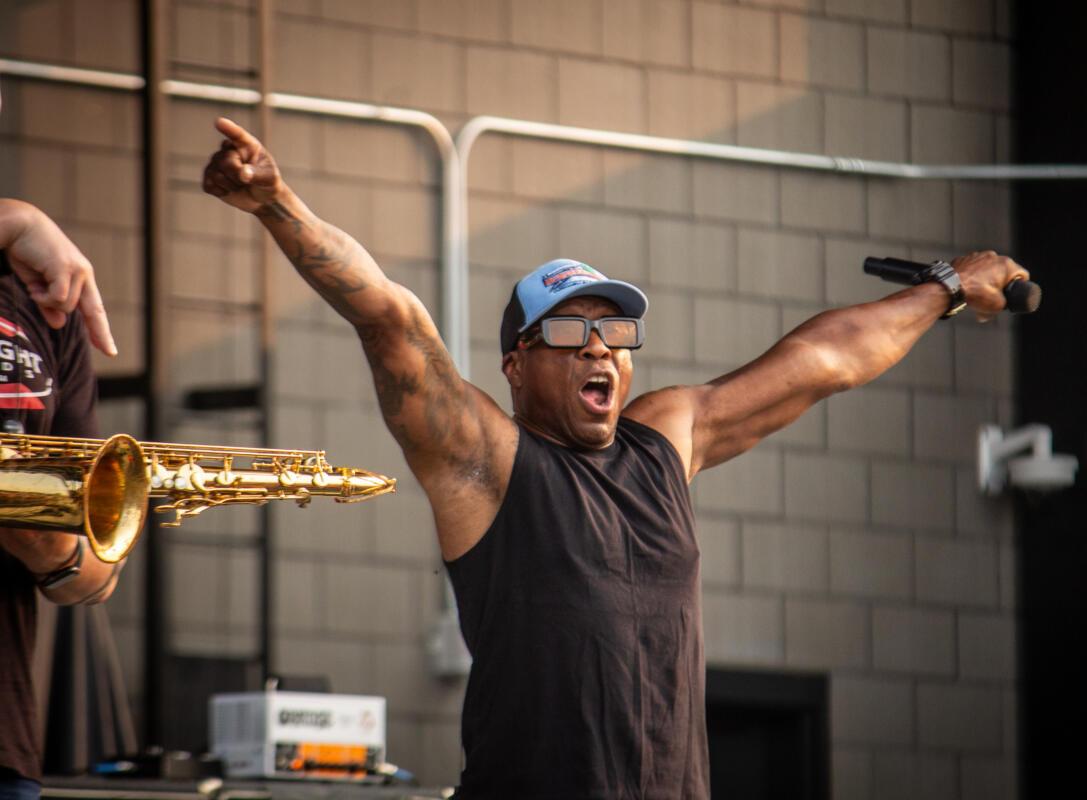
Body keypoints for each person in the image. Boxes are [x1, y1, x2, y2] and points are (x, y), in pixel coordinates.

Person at [203, 117, 1029, 799]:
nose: (600, 348)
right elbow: (393, 322)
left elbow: (826, 361)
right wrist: (278, 205)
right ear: (517, 365)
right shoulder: (490, 463)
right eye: (568, 331)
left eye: (615, 331)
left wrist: (945, 287)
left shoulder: (664, 441)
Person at [0, 196, 120, 800]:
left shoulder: (45, 294)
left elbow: (98, 573)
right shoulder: (28, 240)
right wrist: (17, 218)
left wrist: (52, 550)